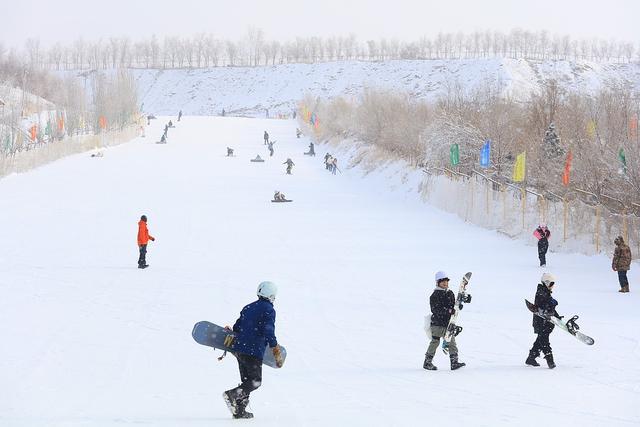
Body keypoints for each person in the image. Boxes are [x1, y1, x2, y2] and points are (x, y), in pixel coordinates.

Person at [223, 281, 284, 419]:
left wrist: (231, 332)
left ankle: (239, 410)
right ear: (271, 295)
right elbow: (268, 329)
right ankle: (232, 395)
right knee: (255, 381)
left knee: (246, 381)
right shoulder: (269, 309)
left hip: (239, 349)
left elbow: (237, 327)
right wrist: (274, 347)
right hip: (253, 350)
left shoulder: (248, 307)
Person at [423, 271, 469, 371]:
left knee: (451, 342)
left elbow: (454, 306)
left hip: (448, 323)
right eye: (442, 281)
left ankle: (454, 362)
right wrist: (448, 310)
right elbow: (435, 309)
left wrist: (459, 304)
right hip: (437, 323)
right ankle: (427, 362)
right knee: (435, 342)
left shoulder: (450, 293)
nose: (445, 283)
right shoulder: (435, 295)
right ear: (438, 282)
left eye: (446, 281)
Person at [526, 273, 560, 368]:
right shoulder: (541, 293)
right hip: (541, 322)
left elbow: (550, 308)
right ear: (547, 282)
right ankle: (550, 360)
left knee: (540, 339)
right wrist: (552, 303)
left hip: (546, 322)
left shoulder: (545, 292)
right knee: (544, 340)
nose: (553, 286)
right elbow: (545, 306)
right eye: (552, 284)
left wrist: (557, 317)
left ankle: (531, 358)